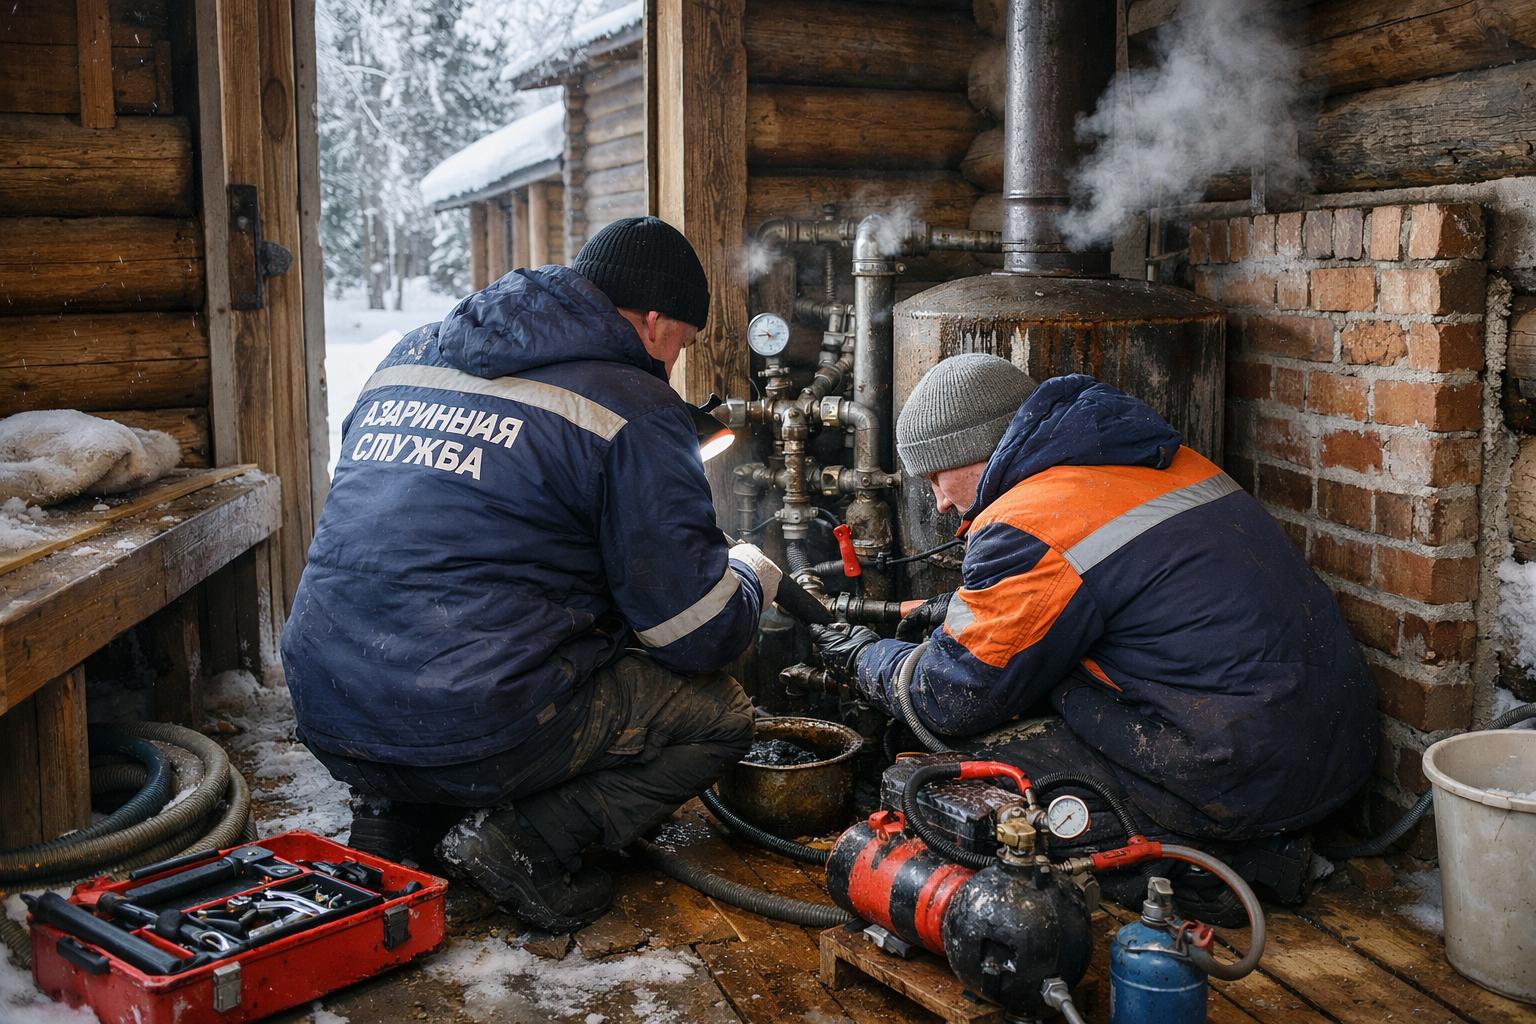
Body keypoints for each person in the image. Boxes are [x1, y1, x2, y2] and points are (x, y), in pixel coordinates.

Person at [281, 217, 780, 932]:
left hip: (328, 702)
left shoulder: (410, 353)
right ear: (652, 320)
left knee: (430, 636)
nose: (674, 364)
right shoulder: (634, 407)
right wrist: (747, 576)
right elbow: (692, 635)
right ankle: (527, 842)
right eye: (682, 343)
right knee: (719, 716)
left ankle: (390, 819)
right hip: (473, 722)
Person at [811, 355, 1376, 921]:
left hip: (1240, 773)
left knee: (942, 790)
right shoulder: (1152, 458)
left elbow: (950, 697)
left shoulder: (1031, 521)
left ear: (977, 450)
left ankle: (1228, 863)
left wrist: (864, 657)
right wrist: (950, 612)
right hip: (1335, 747)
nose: (939, 502)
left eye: (938, 476)